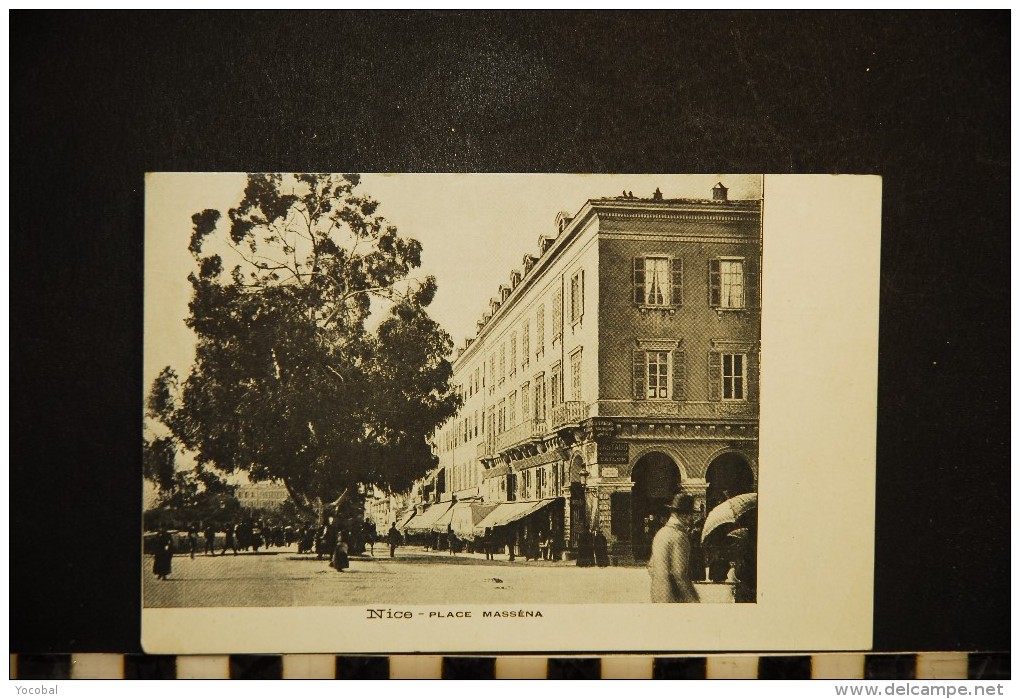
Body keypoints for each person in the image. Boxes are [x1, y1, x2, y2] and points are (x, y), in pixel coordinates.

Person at [648, 494, 700, 603]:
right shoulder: (679, 536)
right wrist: (693, 601)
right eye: (692, 514)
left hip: (657, 595)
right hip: (674, 598)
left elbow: (650, 567)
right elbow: (679, 574)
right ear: (684, 515)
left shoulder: (661, 533)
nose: (693, 518)